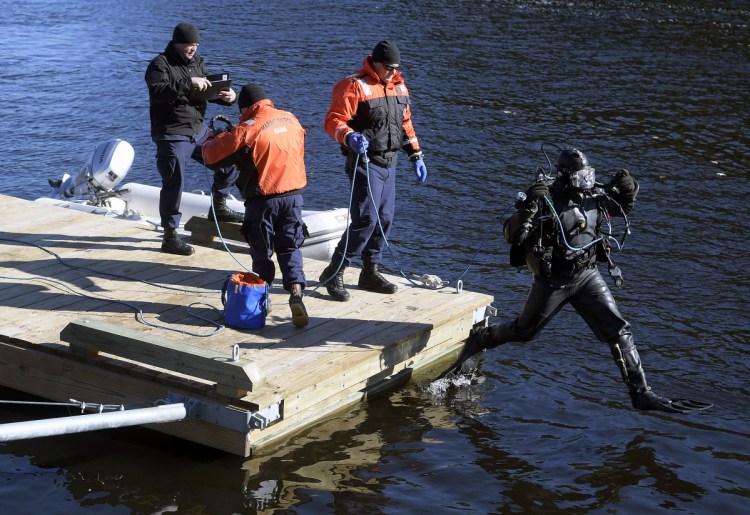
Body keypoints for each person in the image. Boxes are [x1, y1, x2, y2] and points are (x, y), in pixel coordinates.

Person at [440, 147, 711, 414]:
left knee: (619, 331)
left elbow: (623, 207)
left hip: (587, 275)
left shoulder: (593, 195)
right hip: (553, 280)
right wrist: (526, 207)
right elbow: (511, 235)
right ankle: (482, 337)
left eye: (589, 176)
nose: (586, 183)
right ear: (566, 175)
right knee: (525, 332)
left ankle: (641, 393)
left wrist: (629, 188)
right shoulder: (546, 199)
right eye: (581, 178)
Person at [320, 40, 428, 301]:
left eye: (396, 67)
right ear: (375, 63)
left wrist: (416, 155)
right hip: (365, 162)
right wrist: (349, 137)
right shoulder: (355, 85)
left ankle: (370, 271)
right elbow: (333, 120)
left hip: (390, 162)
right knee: (365, 218)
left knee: (385, 217)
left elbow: (405, 123)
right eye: (388, 67)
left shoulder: (399, 86)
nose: (393, 72)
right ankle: (335, 271)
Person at [202, 84, 309, 327]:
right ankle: (296, 294)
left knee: (262, 253)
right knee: (290, 247)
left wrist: (211, 137)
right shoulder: (291, 118)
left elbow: (211, 157)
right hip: (294, 197)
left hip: (263, 201)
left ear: (245, 108)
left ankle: (264, 298)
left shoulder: (247, 128)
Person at [145, 22, 243, 256]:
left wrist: (227, 97)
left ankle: (218, 206)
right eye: (190, 45)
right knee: (174, 183)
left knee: (231, 156)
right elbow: (158, 92)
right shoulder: (160, 64)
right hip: (172, 134)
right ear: (178, 43)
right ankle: (169, 237)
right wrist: (188, 82)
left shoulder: (197, 62)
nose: (194, 49)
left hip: (198, 131)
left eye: (196, 44)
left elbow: (205, 90)